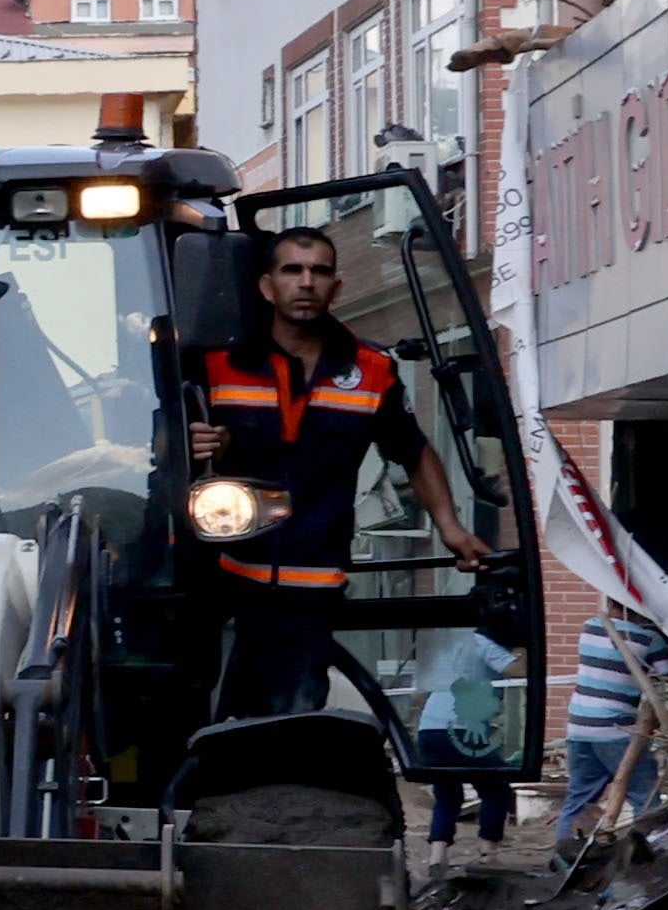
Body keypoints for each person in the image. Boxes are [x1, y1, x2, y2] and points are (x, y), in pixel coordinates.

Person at [185, 224, 492, 721]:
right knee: (200, 717)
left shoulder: (372, 370)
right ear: (267, 286)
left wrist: (451, 527)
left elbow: (413, 451)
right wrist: (197, 446)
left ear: (336, 287)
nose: (305, 282)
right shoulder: (215, 362)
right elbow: (164, 454)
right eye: (292, 271)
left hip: (309, 585)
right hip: (219, 581)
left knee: (287, 725)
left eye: (319, 271)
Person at [410, 624, 516, 847]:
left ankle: (437, 854)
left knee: (447, 795)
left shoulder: (442, 649)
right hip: (463, 730)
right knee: (496, 791)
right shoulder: (481, 643)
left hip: (429, 731)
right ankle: (488, 852)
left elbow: (418, 696)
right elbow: (519, 670)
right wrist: (524, 651)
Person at [568, 604, 664, 847]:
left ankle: (563, 854)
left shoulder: (590, 627)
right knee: (645, 795)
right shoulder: (649, 639)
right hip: (616, 730)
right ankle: (653, 851)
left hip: (578, 725)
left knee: (578, 797)